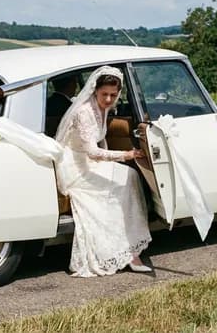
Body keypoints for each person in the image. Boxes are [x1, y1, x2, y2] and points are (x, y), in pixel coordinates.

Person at [55, 65, 152, 277]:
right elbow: (91, 150)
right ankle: (126, 254)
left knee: (130, 176)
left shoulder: (104, 107)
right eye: (104, 94)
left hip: (91, 161)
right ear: (95, 91)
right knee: (120, 187)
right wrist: (125, 155)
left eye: (113, 95)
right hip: (76, 167)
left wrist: (113, 161)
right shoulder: (84, 112)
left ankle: (132, 247)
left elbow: (101, 139)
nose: (108, 99)